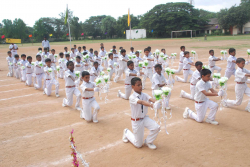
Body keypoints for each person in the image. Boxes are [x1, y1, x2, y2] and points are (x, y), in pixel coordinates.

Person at [122, 77, 160, 149]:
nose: (140, 87)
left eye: (141, 85)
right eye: (138, 85)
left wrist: (158, 102)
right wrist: (151, 105)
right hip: (136, 121)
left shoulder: (144, 94)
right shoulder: (132, 97)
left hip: (144, 118)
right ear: (133, 86)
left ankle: (148, 142)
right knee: (138, 145)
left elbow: (151, 99)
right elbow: (141, 102)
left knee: (156, 127)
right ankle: (126, 132)